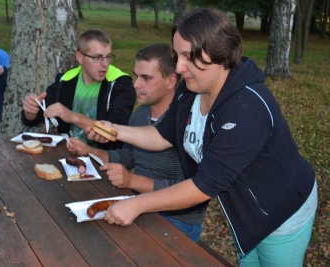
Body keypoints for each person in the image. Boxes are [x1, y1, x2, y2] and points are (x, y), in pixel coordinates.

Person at [85, 8, 317, 267]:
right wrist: (113, 129)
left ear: (220, 53)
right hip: (245, 211)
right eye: (177, 55)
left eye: (189, 56)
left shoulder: (246, 108)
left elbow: (205, 184)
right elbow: (162, 135)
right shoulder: (190, 89)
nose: (179, 66)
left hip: (281, 212)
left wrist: (137, 204)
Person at [66, 43, 209, 243]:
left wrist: (132, 181)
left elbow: (185, 188)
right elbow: (126, 157)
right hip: (137, 204)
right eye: (136, 76)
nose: (136, 84)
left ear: (170, 81)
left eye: (146, 78)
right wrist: (89, 151)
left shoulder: (187, 124)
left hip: (177, 219)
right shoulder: (140, 115)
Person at [21, 28, 136, 150]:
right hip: (66, 153)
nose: (105, 64)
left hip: (103, 159)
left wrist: (72, 117)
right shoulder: (66, 80)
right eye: (97, 57)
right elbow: (33, 119)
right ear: (80, 57)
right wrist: (30, 111)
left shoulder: (120, 84)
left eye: (108, 57)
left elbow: (115, 133)